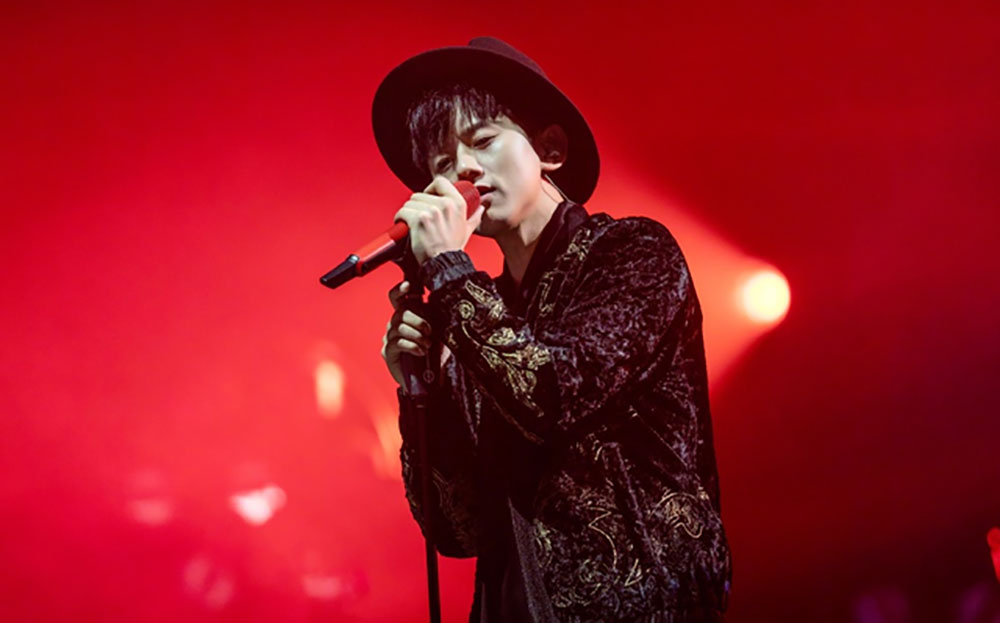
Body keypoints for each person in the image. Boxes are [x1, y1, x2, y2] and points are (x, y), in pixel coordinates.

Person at [375, 37, 731, 622]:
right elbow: (460, 530)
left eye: (483, 140)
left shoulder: (633, 253)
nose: (463, 169)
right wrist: (427, 391)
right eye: (441, 164)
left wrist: (449, 272)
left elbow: (553, 394)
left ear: (550, 149)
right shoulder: (479, 312)